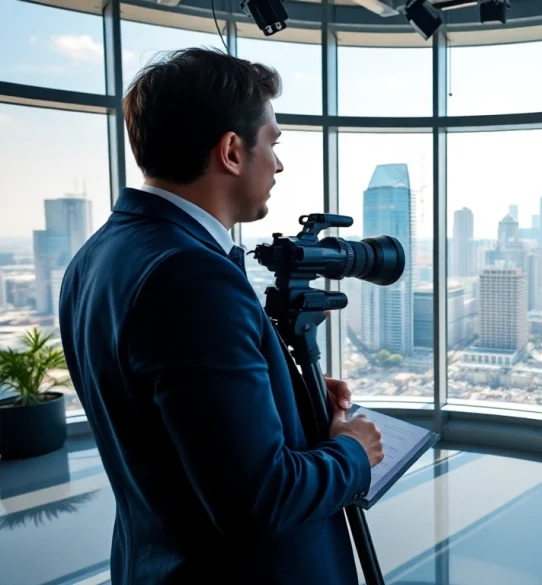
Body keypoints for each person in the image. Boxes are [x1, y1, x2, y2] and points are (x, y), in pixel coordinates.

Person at [58, 48, 384, 584]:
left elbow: (168, 429)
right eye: (272, 142)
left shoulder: (99, 254)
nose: (277, 163)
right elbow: (259, 499)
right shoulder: (190, 276)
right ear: (232, 151)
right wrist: (354, 452)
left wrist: (281, 398)